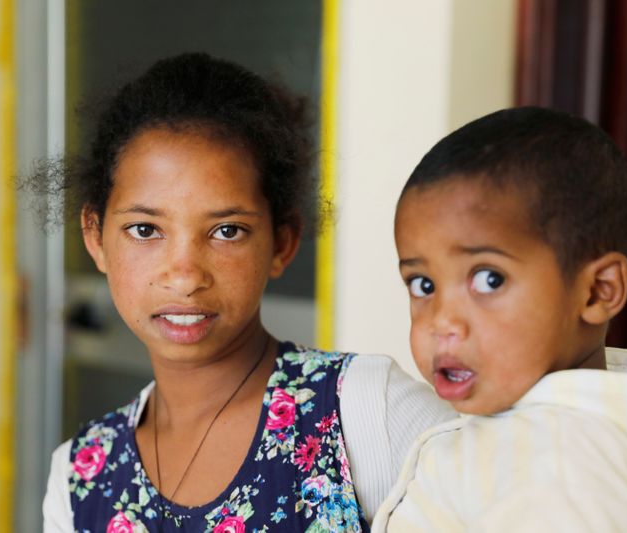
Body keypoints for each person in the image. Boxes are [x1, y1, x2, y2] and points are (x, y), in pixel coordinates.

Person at [38, 52, 454, 532]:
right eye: (145, 230)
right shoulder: (80, 476)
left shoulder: (364, 412)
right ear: (95, 237)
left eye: (227, 231)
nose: (185, 275)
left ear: (282, 241)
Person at [371, 107, 627, 532]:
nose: (442, 321)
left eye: (488, 279)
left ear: (597, 290)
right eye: (423, 285)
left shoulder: (557, 456)